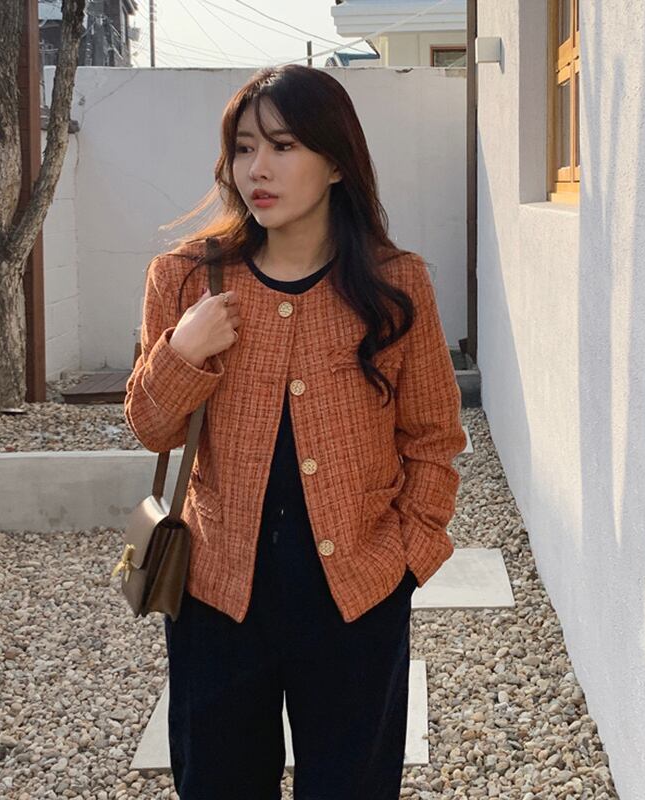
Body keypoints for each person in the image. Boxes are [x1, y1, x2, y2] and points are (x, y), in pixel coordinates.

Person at [124, 64, 466, 800]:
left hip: (357, 596)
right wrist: (184, 351)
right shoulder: (185, 278)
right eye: (244, 148)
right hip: (217, 595)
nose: (258, 169)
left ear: (336, 162)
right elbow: (152, 429)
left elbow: (434, 437)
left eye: (283, 147)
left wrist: (408, 560)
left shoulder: (395, 284)